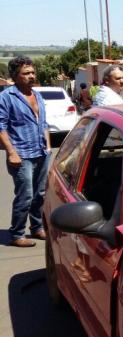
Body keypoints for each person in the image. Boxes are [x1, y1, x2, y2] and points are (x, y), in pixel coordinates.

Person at [0, 56, 51, 247]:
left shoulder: (37, 95)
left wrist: (47, 145)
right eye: (26, 73)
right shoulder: (6, 97)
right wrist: (11, 152)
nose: (31, 76)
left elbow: (43, 122)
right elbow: (1, 126)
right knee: (25, 195)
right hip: (21, 154)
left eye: (32, 72)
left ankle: (36, 227)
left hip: (41, 152)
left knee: (40, 194)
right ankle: (17, 233)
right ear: (15, 76)